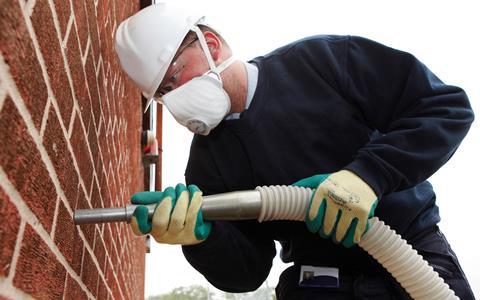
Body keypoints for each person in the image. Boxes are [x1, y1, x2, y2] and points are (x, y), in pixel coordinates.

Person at [115, 3, 475, 299]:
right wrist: (200, 239)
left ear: (209, 45)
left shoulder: (324, 62)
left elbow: (444, 109)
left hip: (414, 255)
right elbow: (248, 272)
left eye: (174, 78)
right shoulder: (209, 164)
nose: (173, 100)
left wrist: (369, 176)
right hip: (319, 282)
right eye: (161, 95)